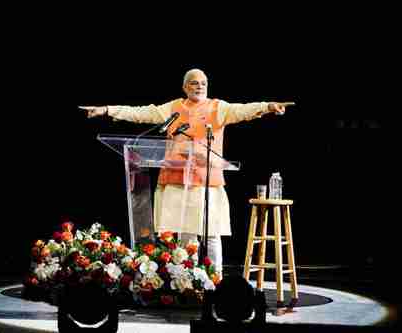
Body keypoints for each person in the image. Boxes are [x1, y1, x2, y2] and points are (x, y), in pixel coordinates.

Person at [81, 68, 291, 275]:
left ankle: (215, 279)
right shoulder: (173, 108)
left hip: (206, 181)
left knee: (210, 235)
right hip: (176, 181)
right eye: (194, 82)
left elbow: (244, 109)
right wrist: (107, 109)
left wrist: (269, 106)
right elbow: (141, 112)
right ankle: (189, 280)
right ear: (184, 87)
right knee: (185, 237)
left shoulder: (219, 108)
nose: (199, 86)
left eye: (203, 83)